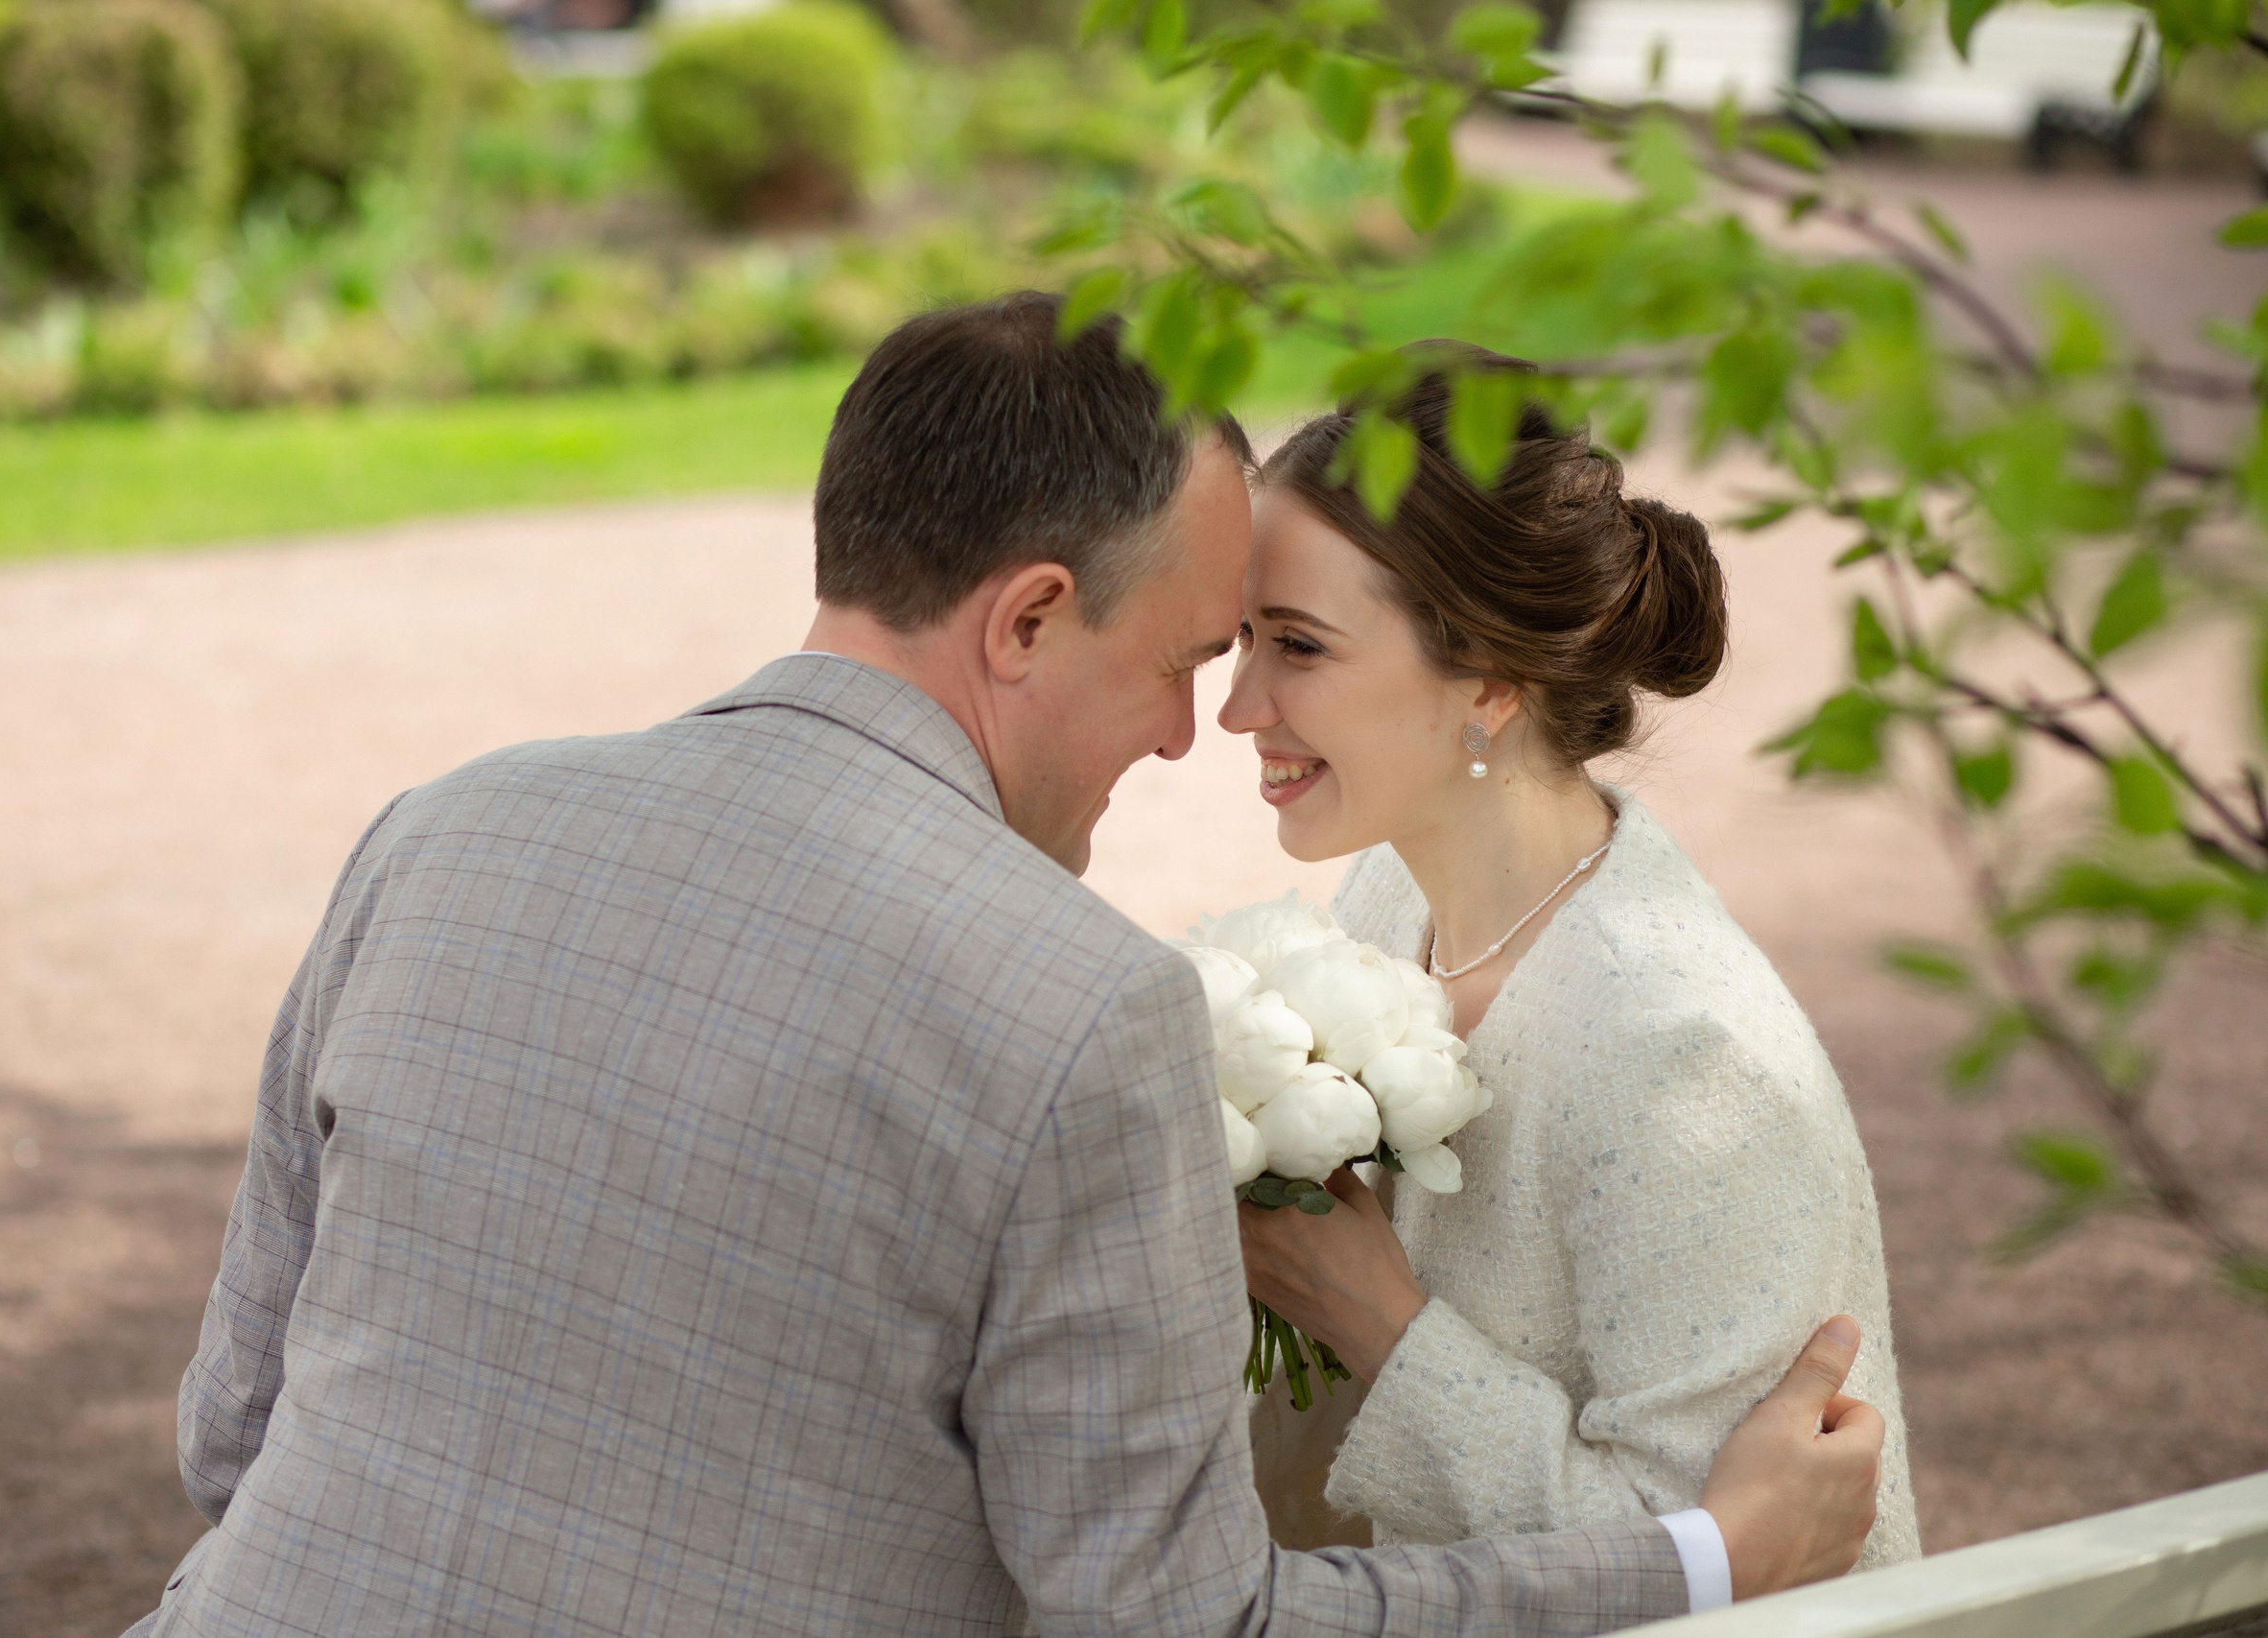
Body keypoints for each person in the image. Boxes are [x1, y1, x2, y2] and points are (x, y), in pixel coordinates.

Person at [126, 296, 1883, 1638]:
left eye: (1278, 651)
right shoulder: (1076, 1007)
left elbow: (237, 1431)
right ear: (1030, 616)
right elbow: (1174, 1616)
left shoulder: (437, 827)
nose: (1209, 727)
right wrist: (1700, 1554)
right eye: (1199, 654)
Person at [1224, 355, 1921, 1568]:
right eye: (1241, 637)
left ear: (1490, 681)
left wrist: (1384, 1324)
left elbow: (1738, 1572)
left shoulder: (1681, 1057)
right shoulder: (1391, 898)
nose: (1239, 706)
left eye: (1297, 646)